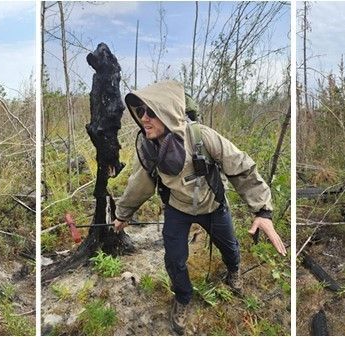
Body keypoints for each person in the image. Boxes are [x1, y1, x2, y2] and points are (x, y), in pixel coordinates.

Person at [110, 81, 286, 335]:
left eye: (150, 112)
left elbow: (241, 167)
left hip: (212, 205)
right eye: (139, 112)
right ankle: (183, 298)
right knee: (174, 259)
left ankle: (234, 272)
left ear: (168, 112)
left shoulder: (202, 137)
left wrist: (263, 212)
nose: (143, 118)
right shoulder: (149, 147)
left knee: (229, 246)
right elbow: (140, 184)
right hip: (177, 208)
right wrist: (122, 214)